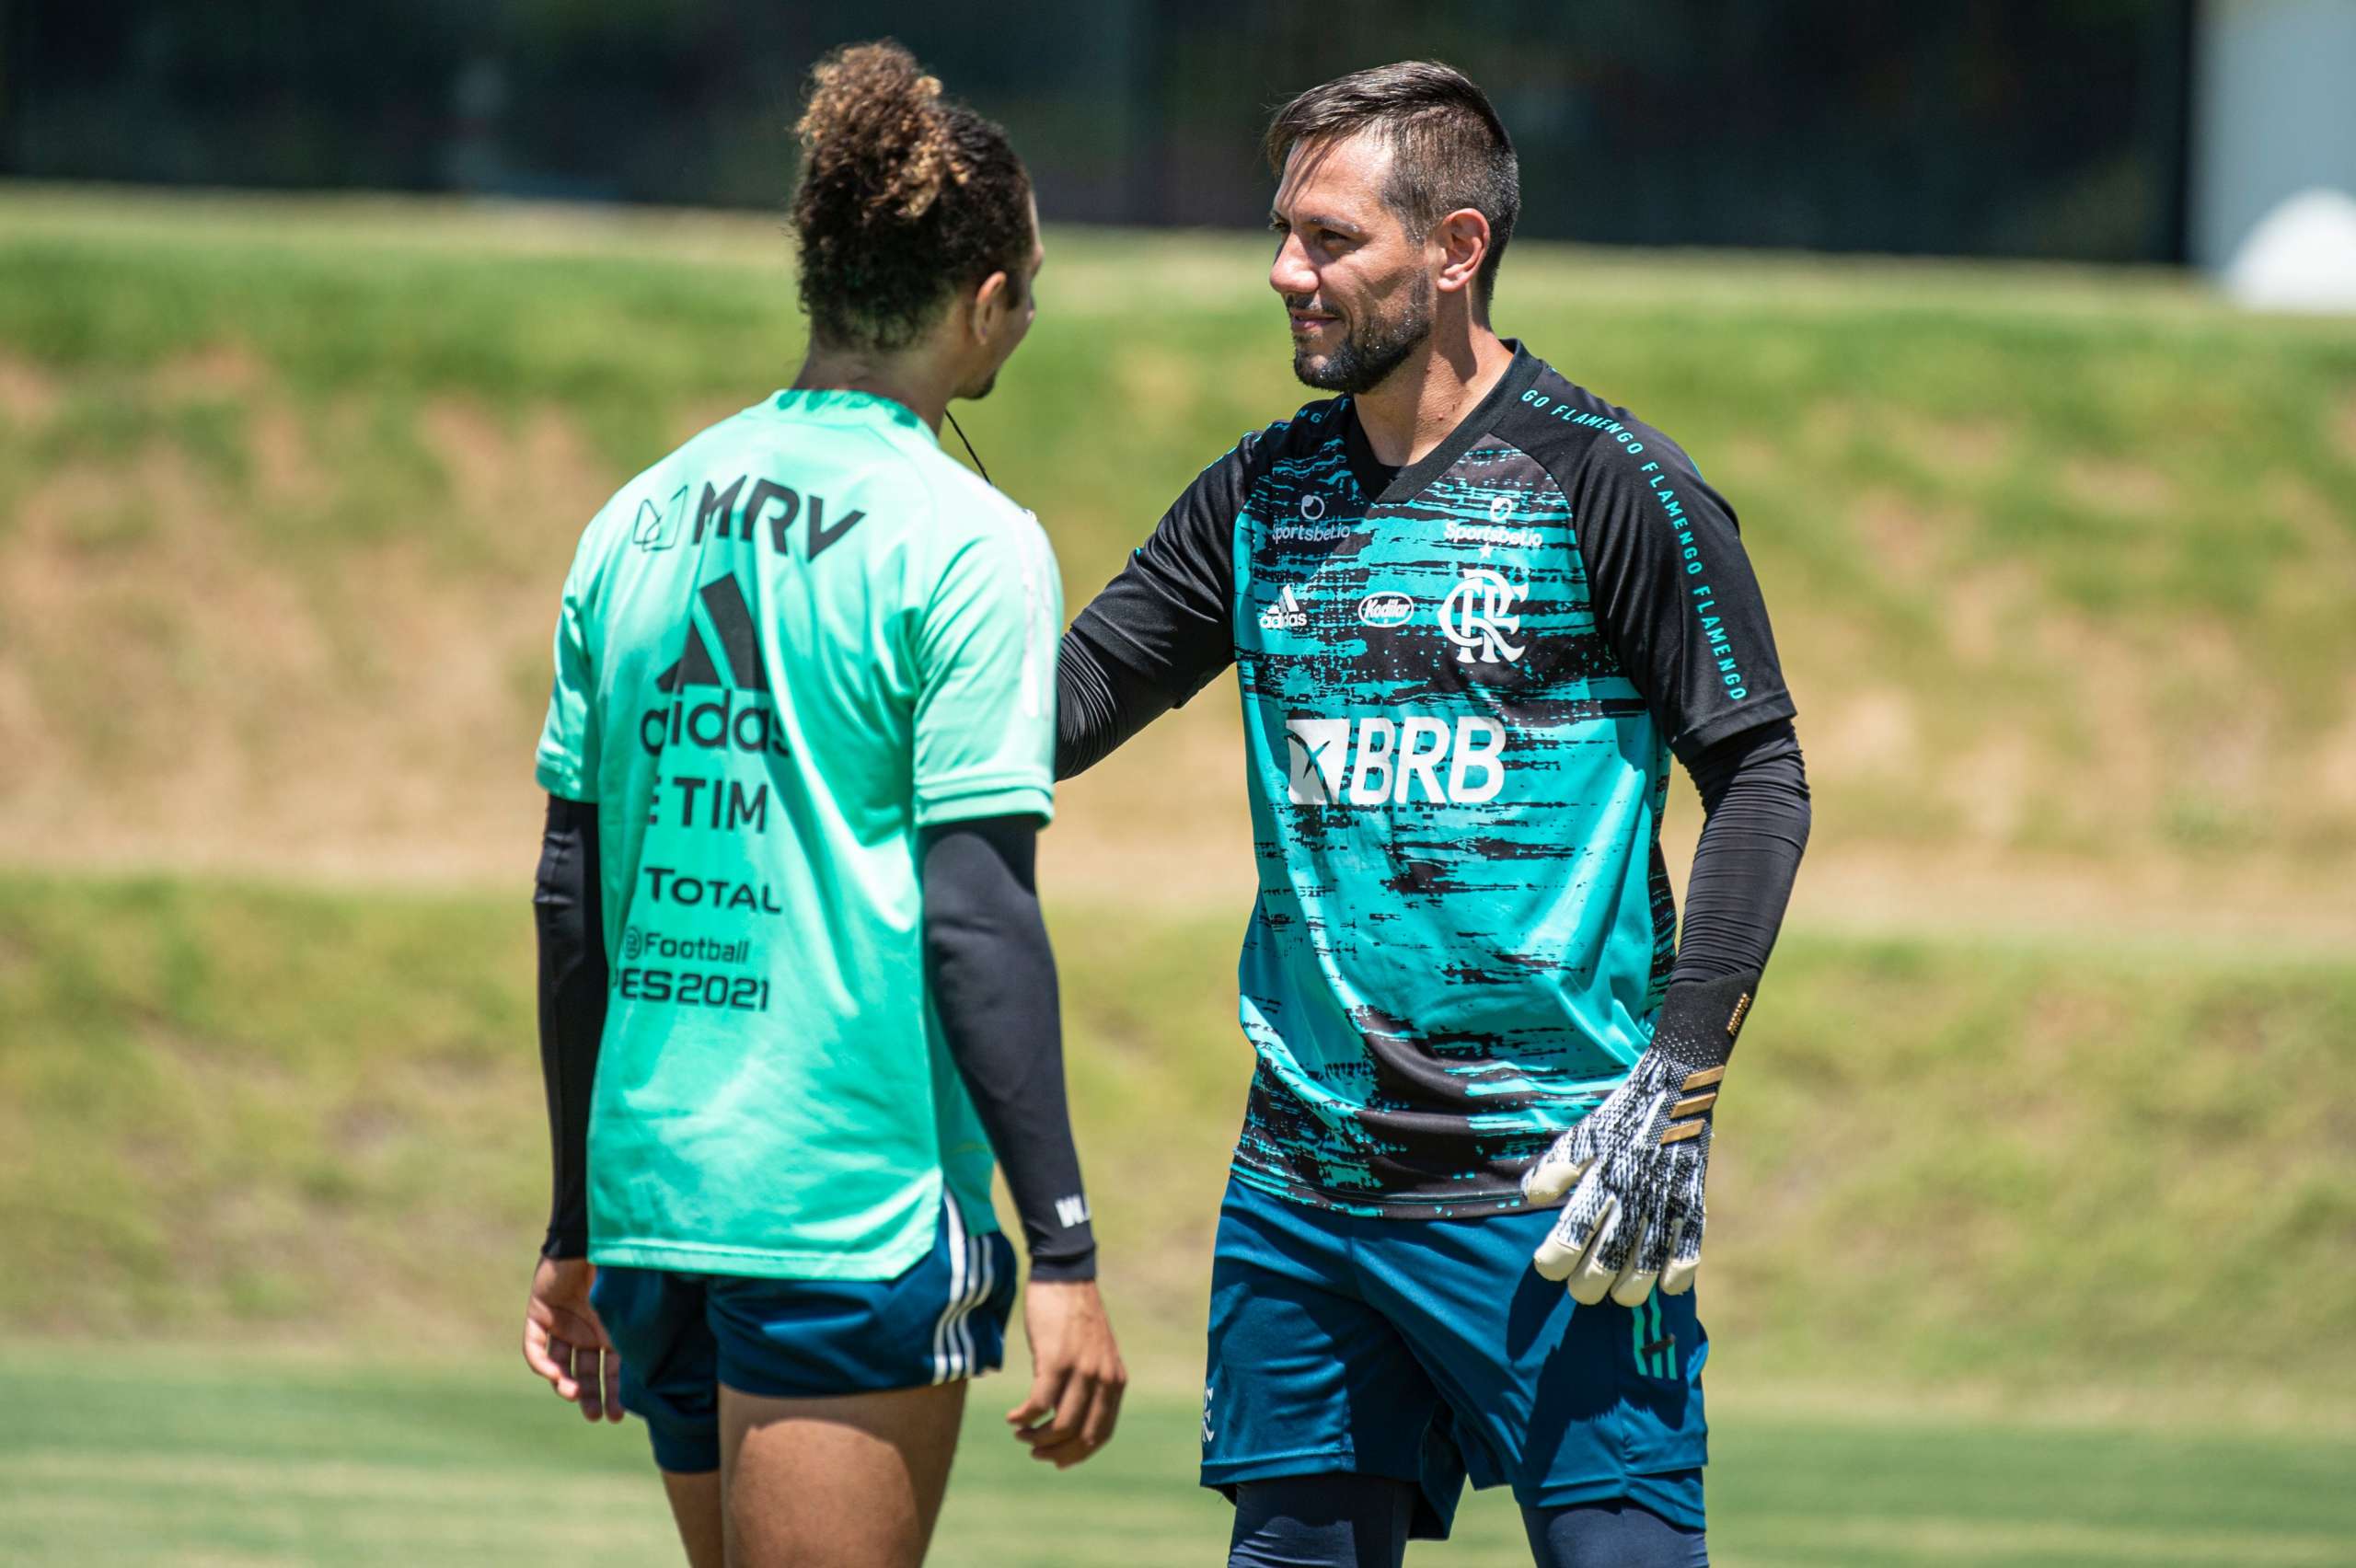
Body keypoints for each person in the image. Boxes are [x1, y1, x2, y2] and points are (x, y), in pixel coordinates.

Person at [1056, 62, 1809, 1568]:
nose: (1287, 272)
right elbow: (1060, 710)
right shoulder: (1263, 497)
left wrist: (1678, 1082)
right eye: (1284, 233)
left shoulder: (1609, 483)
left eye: (1331, 239)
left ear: (1457, 249)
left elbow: (1761, 778)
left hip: (1559, 1187)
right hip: (1304, 1192)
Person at [522, 41, 1123, 1568]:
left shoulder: (634, 518)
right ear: (986, 299)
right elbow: (977, 916)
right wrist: (1062, 1247)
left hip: (656, 1197)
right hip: (846, 1208)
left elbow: (570, 900)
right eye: (1031, 291)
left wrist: (575, 1221)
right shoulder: (967, 541)